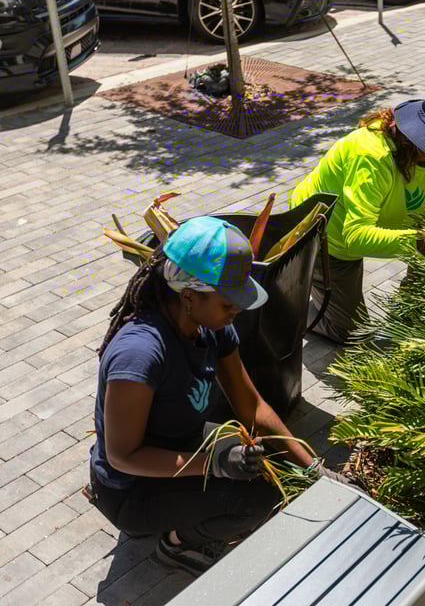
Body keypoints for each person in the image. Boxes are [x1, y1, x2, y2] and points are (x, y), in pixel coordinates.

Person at [88, 216, 358, 577]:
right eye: (228, 303)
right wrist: (215, 463)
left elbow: (253, 406)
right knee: (257, 500)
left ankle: (190, 511)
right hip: (131, 486)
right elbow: (122, 457)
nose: (237, 311)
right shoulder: (139, 355)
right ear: (188, 295)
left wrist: (314, 468)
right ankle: (175, 543)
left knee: (272, 467)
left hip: (175, 454)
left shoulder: (210, 328)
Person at [292, 87, 425, 343]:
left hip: (392, 223)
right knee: (350, 332)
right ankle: (291, 309)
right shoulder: (371, 156)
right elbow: (355, 236)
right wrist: (419, 242)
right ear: (423, 138)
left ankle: (409, 310)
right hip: (329, 233)